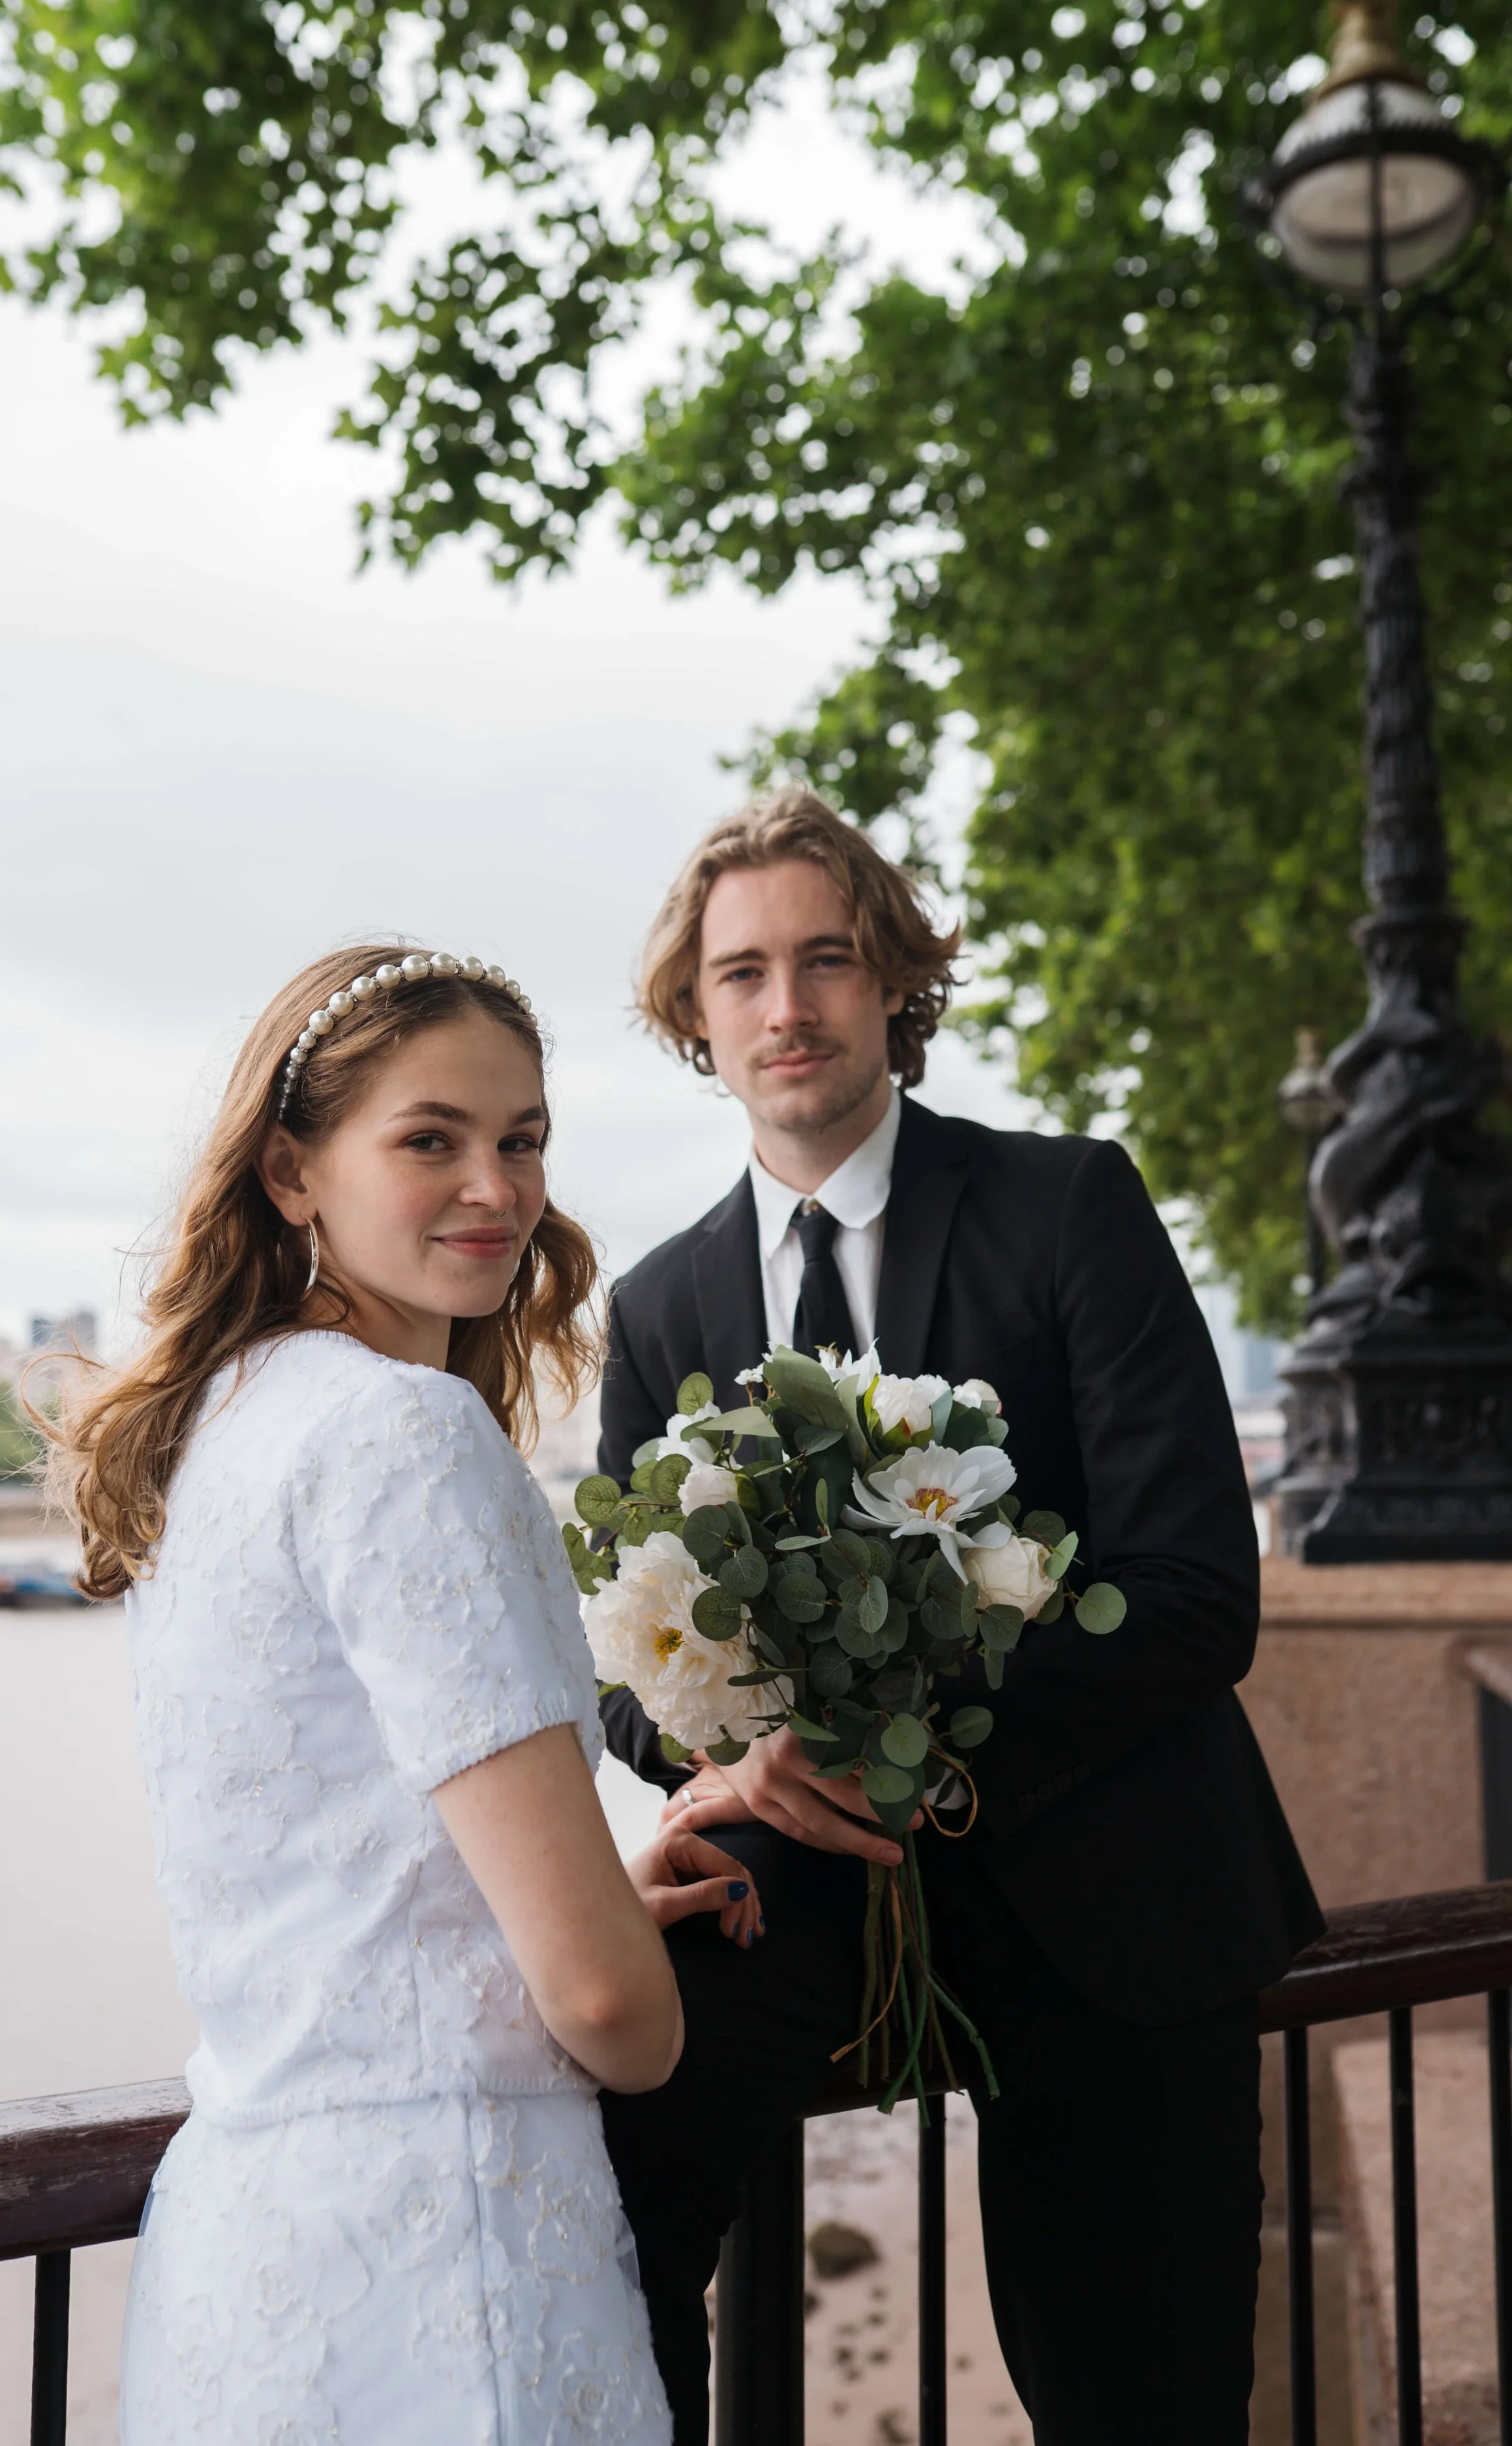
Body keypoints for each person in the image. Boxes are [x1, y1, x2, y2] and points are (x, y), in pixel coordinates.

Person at [594, 791, 1325, 2446]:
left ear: (894, 986)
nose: (786, 1008)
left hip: (1115, 1892)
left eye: (828, 960)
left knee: (1135, 2406)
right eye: (742, 974)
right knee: (616, 2177)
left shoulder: (1067, 1206)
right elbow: (627, 1675)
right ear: (692, 1019)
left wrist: (898, 1760)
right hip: (810, 1898)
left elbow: (1198, 1594)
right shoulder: (659, 1307)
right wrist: (736, 1763)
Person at [45, 942, 764, 2446]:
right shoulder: (407, 1435)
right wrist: (633, 1996)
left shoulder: (221, 1428)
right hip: (456, 2256)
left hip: (252, 2269)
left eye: (522, 1141)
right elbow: (606, 2010)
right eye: (429, 1140)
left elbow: (339, 1866)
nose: (495, 1187)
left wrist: (563, 1901)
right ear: (294, 1173)